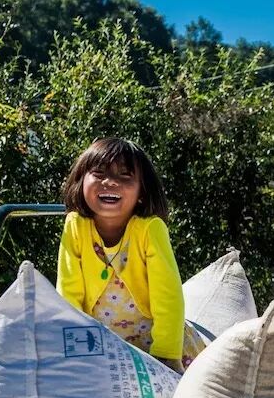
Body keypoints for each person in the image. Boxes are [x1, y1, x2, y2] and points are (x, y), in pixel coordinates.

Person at [56, 138, 203, 373]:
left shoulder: (149, 229)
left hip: (159, 345)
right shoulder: (75, 226)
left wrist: (166, 356)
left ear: (142, 192)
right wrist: (76, 352)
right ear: (81, 181)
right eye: (99, 173)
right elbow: (68, 294)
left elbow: (168, 297)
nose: (110, 182)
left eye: (125, 176)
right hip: (104, 346)